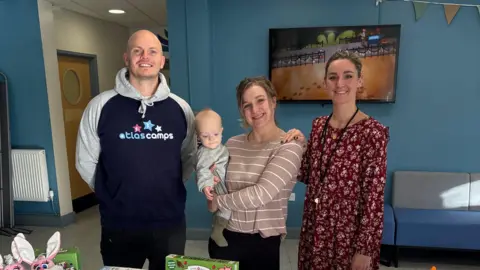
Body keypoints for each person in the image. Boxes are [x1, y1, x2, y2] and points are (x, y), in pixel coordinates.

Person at [75, 30, 197, 270]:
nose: (145, 57)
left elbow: (188, 158)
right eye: (137, 51)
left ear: (162, 61)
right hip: (119, 224)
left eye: (153, 51)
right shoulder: (101, 106)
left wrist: (164, 188)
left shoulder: (181, 108)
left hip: (169, 223)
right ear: (127, 58)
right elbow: (85, 160)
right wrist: (112, 193)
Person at [284, 50, 389, 270]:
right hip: (316, 227)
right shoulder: (319, 125)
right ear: (325, 82)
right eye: (333, 77)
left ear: (359, 81)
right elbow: (308, 174)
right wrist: (299, 146)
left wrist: (364, 251)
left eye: (348, 75)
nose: (339, 83)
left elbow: (373, 200)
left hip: (348, 236)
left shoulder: (373, 133)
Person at [207, 76, 304, 270]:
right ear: (242, 111)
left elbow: (261, 194)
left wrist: (219, 200)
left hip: (261, 244)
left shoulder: (289, 147)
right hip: (223, 236)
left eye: (260, 101)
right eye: (247, 105)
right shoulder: (232, 144)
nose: (255, 110)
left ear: (273, 101)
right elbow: (216, 181)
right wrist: (209, 183)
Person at [194, 108, 231, 247]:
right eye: (205, 136)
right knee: (226, 208)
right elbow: (202, 170)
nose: (211, 139)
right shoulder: (205, 152)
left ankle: (219, 228)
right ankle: (217, 231)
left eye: (215, 134)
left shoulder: (220, 147)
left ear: (221, 131)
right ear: (198, 136)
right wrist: (206, 185)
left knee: (223, 208)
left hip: (223, 180)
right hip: (216, 183)